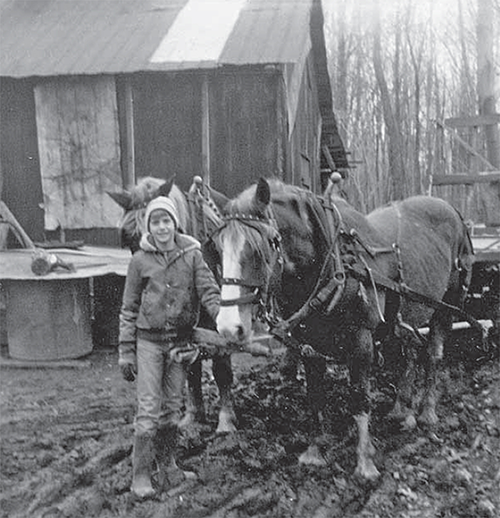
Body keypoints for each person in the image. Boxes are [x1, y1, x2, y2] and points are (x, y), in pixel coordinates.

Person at [118, 196, 220, 499]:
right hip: (148, 343)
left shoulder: (192, 255)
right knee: (149, 410)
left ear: (175, 223)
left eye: (166, 220)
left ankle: (169, 467)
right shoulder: (139, 261)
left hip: (179, 344)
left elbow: (209, 291)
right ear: (148, 226)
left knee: (173, 409)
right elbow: (129, 307)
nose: (162, 227)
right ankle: (140, 476)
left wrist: (223, 318)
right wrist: (126, 351)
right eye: (155, 221)